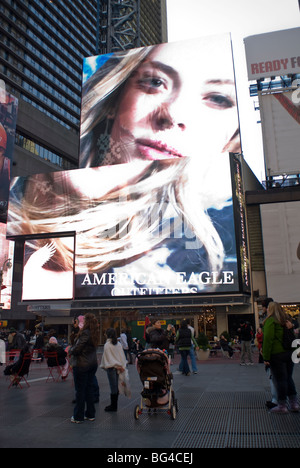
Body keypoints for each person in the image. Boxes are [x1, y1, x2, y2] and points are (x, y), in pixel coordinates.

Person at [8, 34, 241, 302]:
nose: (174, 114)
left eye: (218, 99)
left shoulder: (193, 242)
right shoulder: (19, 181)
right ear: (115, 97)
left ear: (230, 137)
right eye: (155, 82)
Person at [262, 301, 299, 413]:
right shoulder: (287, 321)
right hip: (289, 352)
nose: (267, 309)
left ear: (271, 309)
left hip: (277, 354)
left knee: (280, 379)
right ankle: (294, 403)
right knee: (288, 378)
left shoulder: (271, 321)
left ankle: (282, 405)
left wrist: (266, 357)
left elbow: (268, 340)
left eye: (268, 307)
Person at [68, 313, 99, 423]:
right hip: (92, 364)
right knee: (89, 389)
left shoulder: (85, 333)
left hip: (82, 364)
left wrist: (70, 350)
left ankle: (78, 416)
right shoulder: (94, 333)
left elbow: (78, 348)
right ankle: (90, 414)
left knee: (80, 391)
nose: (82, 321)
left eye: (84, 320)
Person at [100, 328, 127, 412]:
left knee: (113, 387)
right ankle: (114, 405)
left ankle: (113, 406)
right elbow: (122, 356)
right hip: (119, 368)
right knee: (116, 386)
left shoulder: (107, 345)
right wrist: (121, 366)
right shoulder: (118, 344)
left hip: (111, 368)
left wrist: (114, 365)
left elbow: (108, 358)